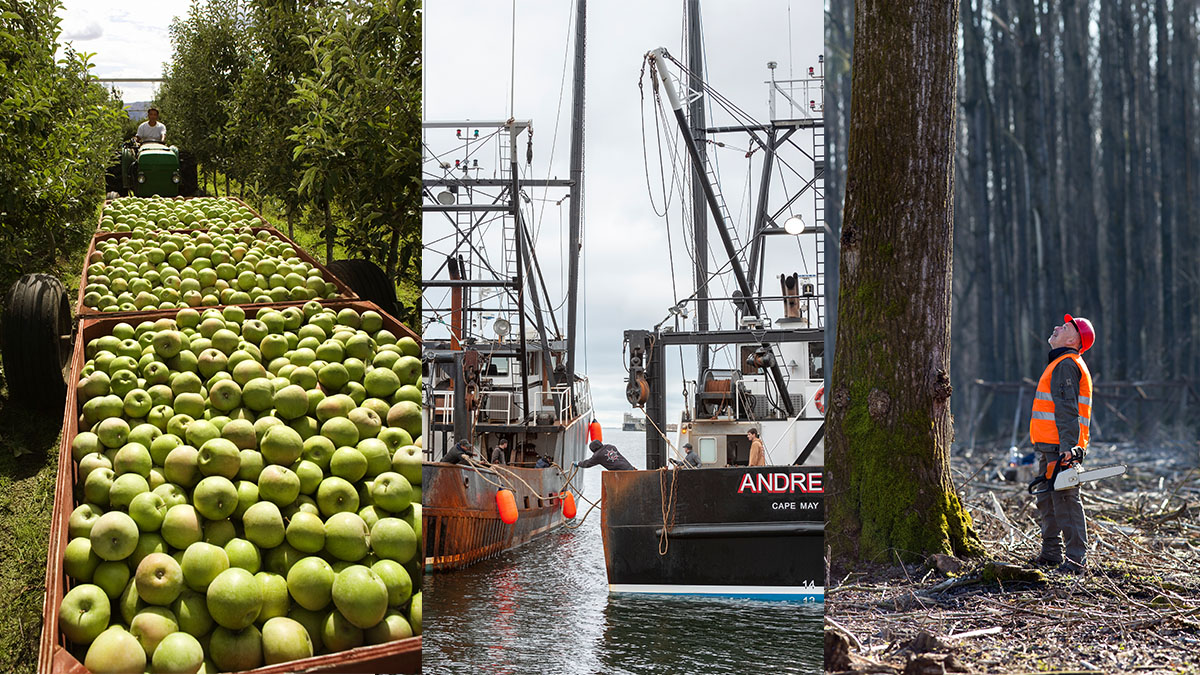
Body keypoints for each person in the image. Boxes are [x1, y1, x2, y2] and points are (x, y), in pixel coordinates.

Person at [1029, 314, 1095, 575]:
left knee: (1065, 500)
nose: (1057, 327)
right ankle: (1051, 553)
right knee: (1047, 499)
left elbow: (1067, 409)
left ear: (1073, 339)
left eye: (1064, 327)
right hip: (1050, 445)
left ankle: (1077, 560)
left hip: (1061, 446)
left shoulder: (1066, 365)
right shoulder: (1060, 363)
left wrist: (1069, 448)